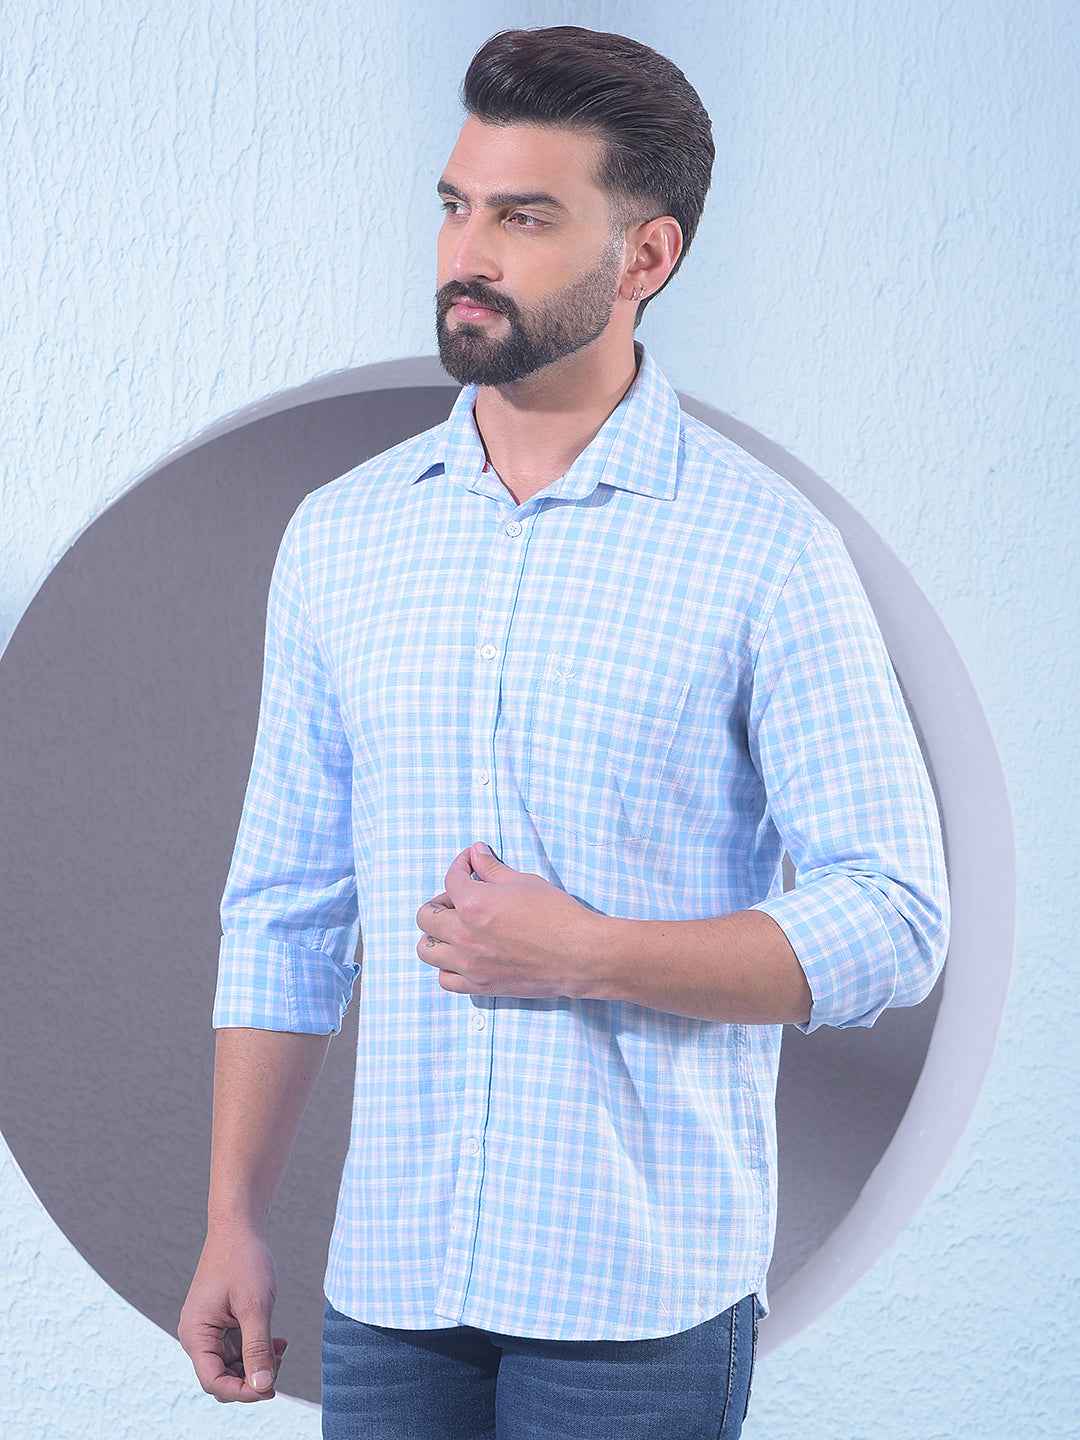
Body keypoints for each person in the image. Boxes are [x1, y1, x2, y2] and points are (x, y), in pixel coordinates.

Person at [178, 23, 950, 1440]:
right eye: (455, 205)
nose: (466, 253)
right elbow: (284, 906)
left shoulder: (765, 550)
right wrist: (233, 1218)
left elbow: (895, 916)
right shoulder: (343, 536)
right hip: (394, 1283)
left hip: (639, 1308)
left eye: (524, 218)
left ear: (645, 257)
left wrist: (588, 952)